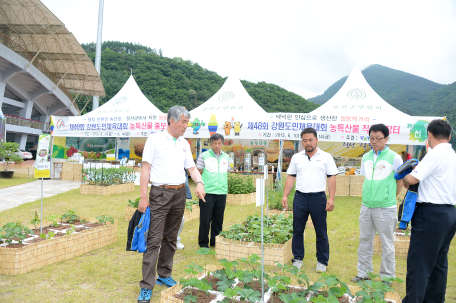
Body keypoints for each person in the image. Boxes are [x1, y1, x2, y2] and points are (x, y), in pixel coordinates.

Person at [137, 106, 206, 303]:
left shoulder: (184, 143)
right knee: (154, 239)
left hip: (179, 194)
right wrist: (144, 196)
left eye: (187, 122)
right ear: (172, 121)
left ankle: (164, 274)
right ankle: (146, 286)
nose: (186, 126)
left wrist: (199, 183)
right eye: (184, 122)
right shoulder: (155, 139)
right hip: (160, 193)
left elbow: (191, 168)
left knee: (171, 237)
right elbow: (146, 168)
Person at [400, 119, 456, 302]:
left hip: (431, 214)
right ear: (449, 136)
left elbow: (412, 180)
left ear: (429, 135)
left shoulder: (434, 154)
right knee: (439, 264)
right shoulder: (452, 155)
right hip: (449, 213)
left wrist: (408, 172)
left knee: (419, 264)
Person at [351, 124, 403, 284]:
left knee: (386, 242)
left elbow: (400, 180)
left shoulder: (394, 157)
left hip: (386, 207)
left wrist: (389, 197)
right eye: (371, 138)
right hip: (366, 205)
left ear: (386, 139)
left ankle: (387, 276)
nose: (374, 141)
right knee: (365, 240)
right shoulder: (366, 157)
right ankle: (363, 273)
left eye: (378, 138)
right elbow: (366, 178)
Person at [281, 127, 339, 272]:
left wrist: (331, 198)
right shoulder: (296, 157)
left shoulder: (326, 157)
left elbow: (331, 177)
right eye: (305, 140)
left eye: (311, 140)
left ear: (316, 140)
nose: (308, 143)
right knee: (298, 230)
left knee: (321, 231)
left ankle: (322, 261)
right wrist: (285, 195)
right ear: (302, 142)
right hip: (300, 197)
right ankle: (298, 259)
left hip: (318, 198)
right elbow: (290, 177)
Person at [196, 133, 229, 248]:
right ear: (211, 143)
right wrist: (199, 186)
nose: (217, 145)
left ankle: (215, 242)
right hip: (207, 192)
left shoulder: (226, 157)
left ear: (222, 143)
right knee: (205, 219)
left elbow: (225, 173)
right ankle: (203, 243)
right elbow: (197, 173)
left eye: (219, 143)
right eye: (215, 143)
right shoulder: (204, 156)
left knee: (218, 219)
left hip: (221, 192)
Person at [176, 169, 193, 250]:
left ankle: (176, 240)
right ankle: (159, 242)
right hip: (162, 189)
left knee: (180, 218)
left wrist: (199, 183)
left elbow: (192, 168)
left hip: (179, 190)